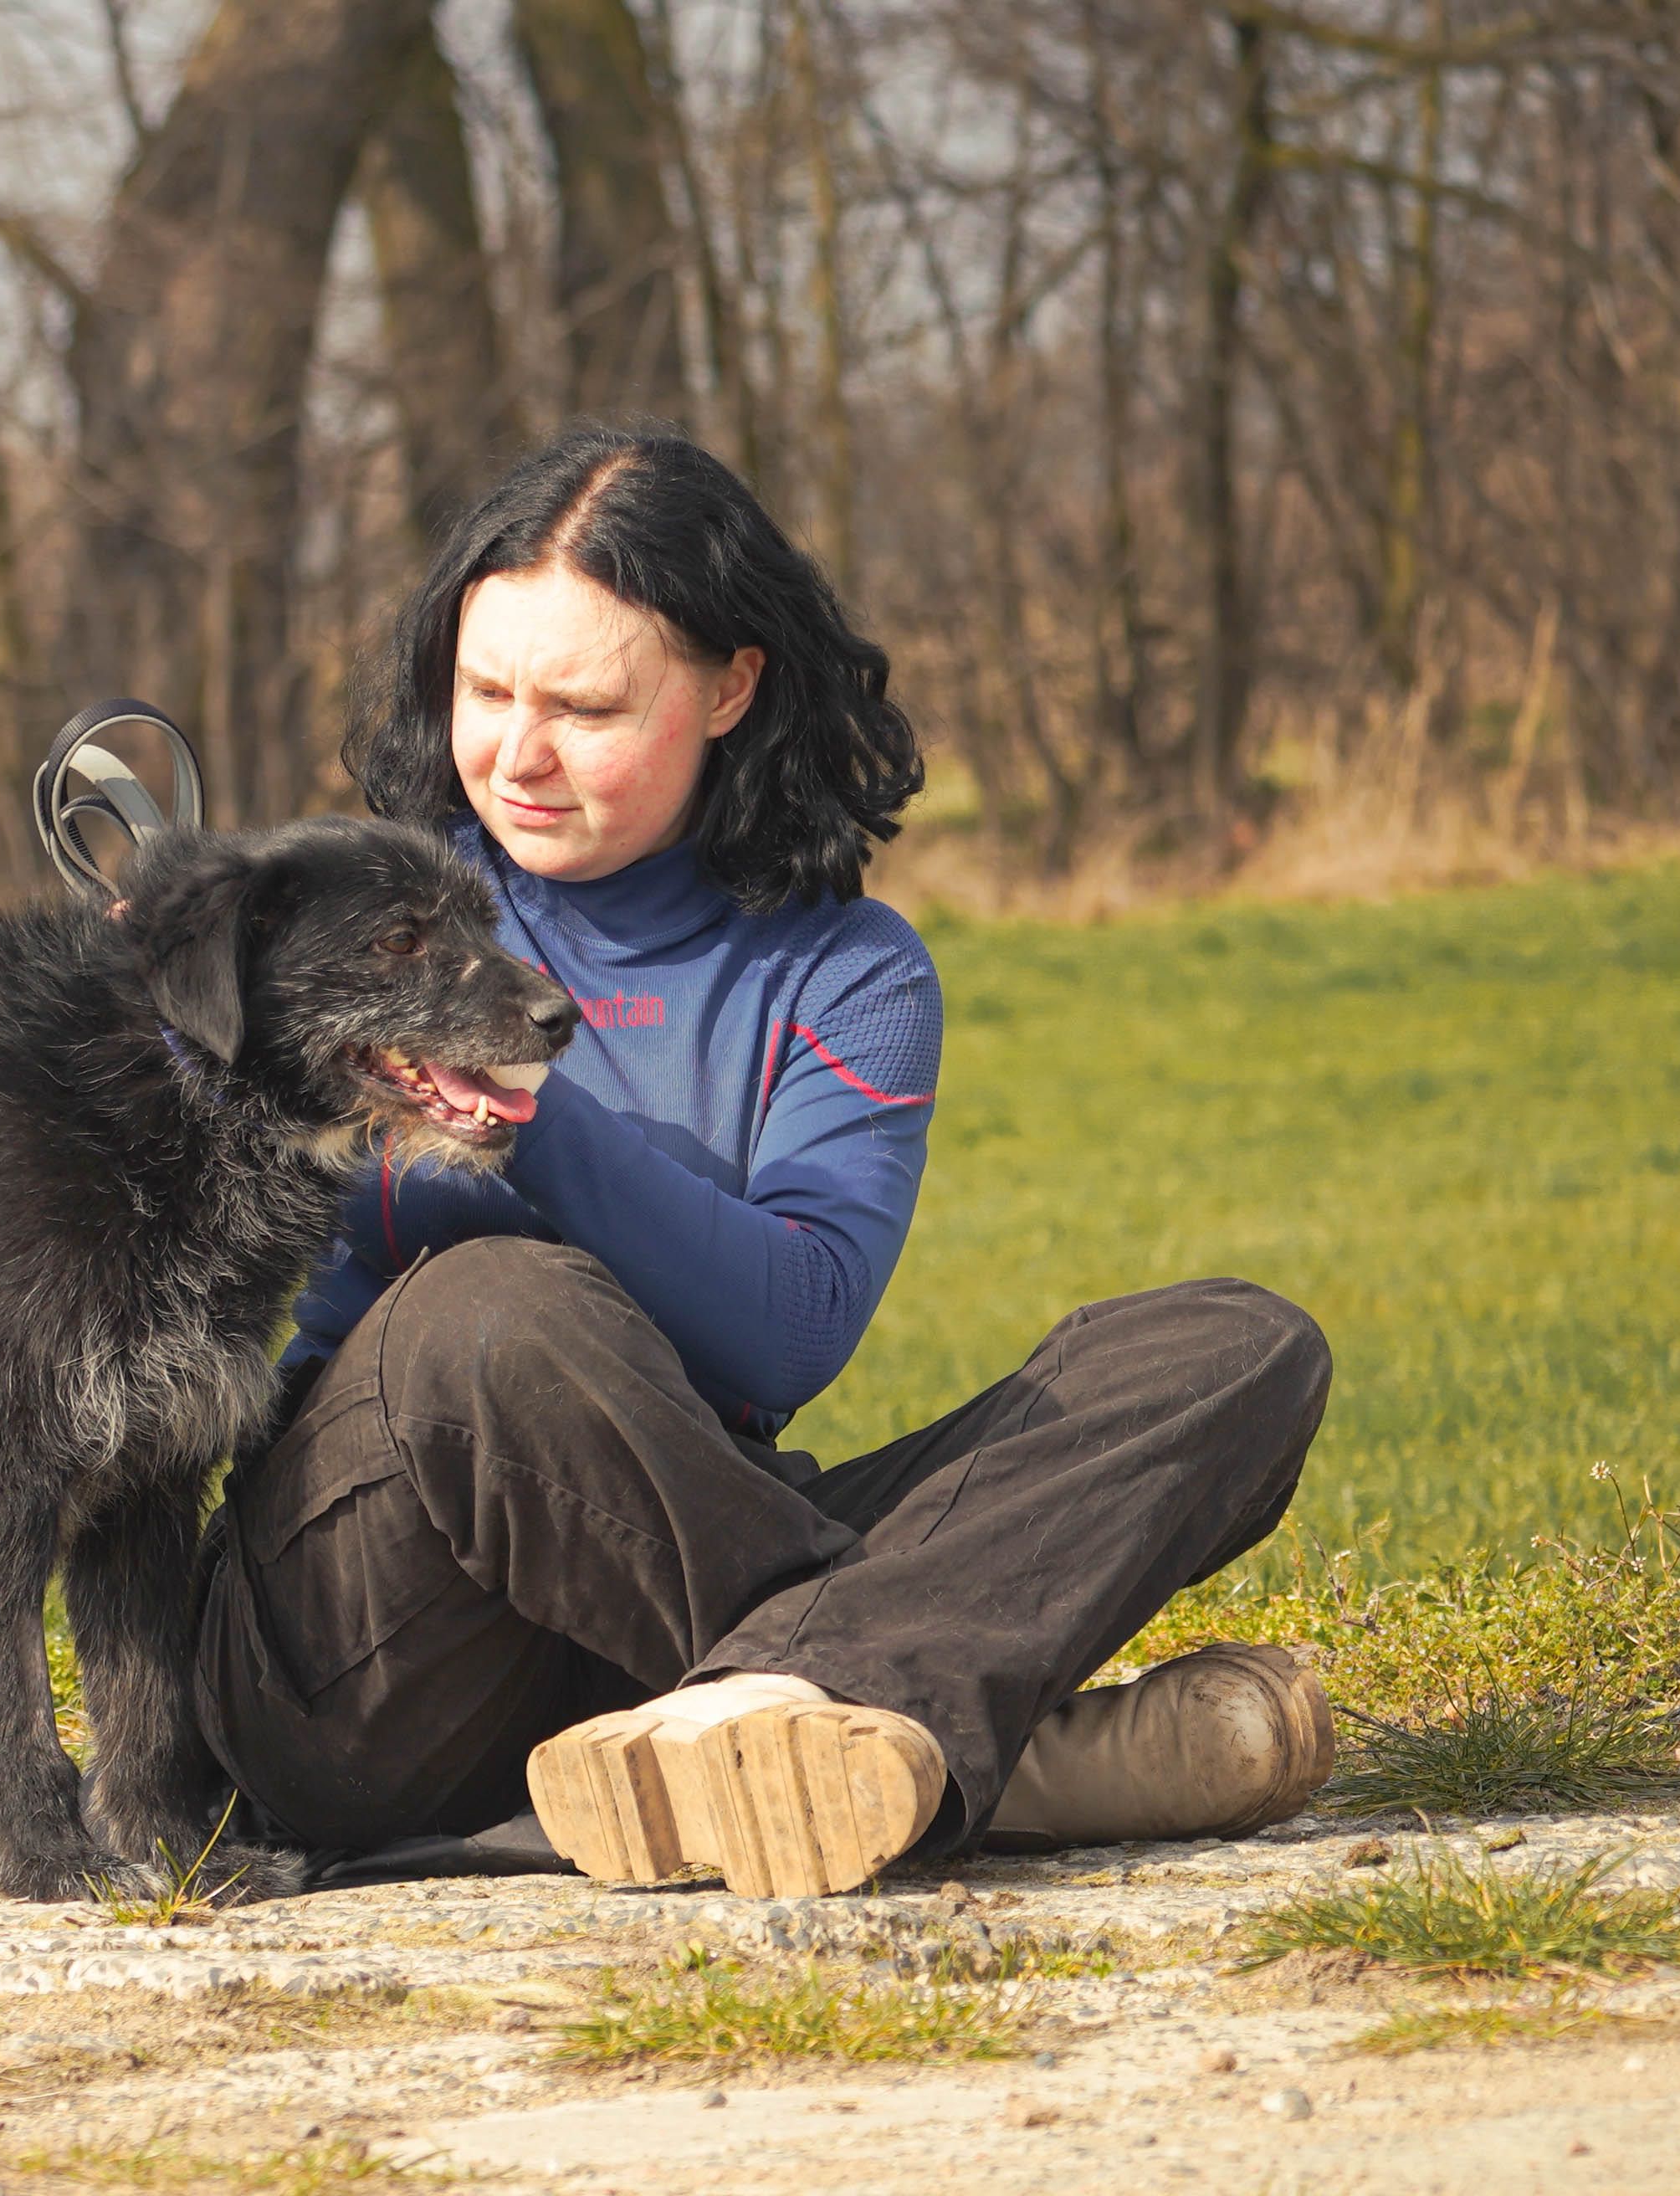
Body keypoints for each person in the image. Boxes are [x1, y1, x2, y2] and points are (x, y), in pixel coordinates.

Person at [190, 423, 1335, 1897]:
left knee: (1237, 1349)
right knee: (495, 1312)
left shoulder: (849, 975)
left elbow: (787, 1330)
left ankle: (771, 1722)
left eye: (586, 707)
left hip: (667, 1557)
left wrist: (530, 1112)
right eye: (484, 691)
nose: (516, 755)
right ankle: (963, 1733)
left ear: (735, 686)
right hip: (362, 1655)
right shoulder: (365, 920)